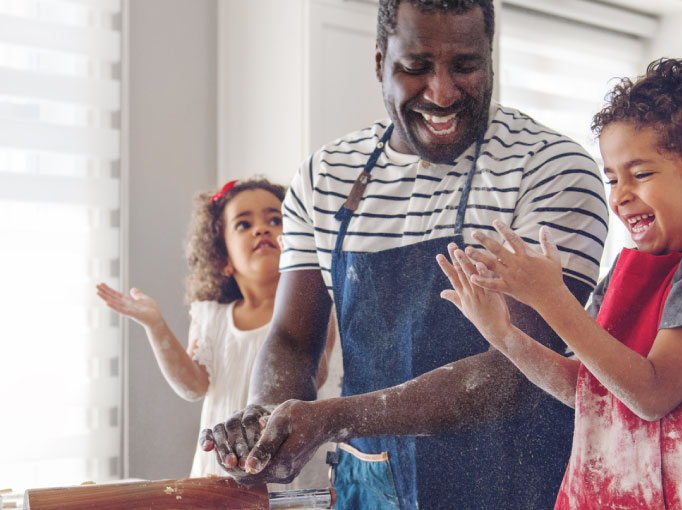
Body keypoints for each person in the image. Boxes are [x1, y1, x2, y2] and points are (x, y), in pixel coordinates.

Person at [200, 1, 610, 508]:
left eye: (465, 65)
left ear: (491, 58)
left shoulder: (551, 169)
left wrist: (335, 416)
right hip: (369, 490)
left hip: (515, 486)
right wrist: (264, 419)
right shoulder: (325, 178)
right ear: (379, 62)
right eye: (416, 67)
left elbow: (518, 369)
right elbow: (291, 338)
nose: (442, 93)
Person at [437, 57, 682, 509]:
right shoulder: (628, 271)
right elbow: (587, 390)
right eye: (612, 177)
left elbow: (652, 393)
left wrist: (551, 298)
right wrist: (501, 334)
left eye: (640, 174)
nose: (619, 195)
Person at [96, 177, 336, 486]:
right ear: (223, 259)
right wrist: (155, 325)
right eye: (243, 224)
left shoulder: (315, 306)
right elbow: (193, 386)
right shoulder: (210, 316)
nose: (261, 229)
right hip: (219, 471)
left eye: (275, 220)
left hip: (285, 474)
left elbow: (315, 376)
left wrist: (315, 283)